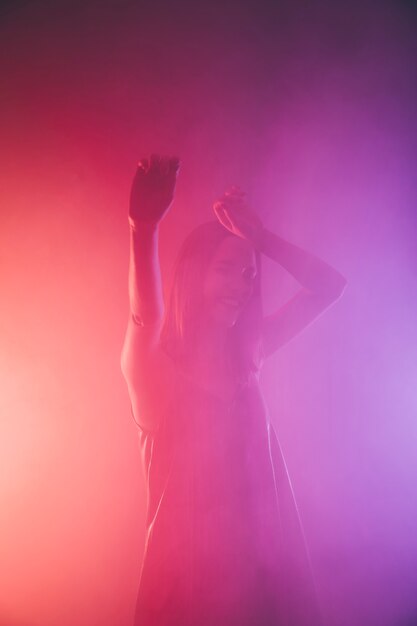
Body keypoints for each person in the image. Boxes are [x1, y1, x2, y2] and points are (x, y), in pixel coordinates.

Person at [121, 154, 347, 626]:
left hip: (263, 589)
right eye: (226, 269)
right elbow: (146, 318)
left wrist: (260, 240)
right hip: (185, 595)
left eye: (249, 274)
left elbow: (329, 286)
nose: (243, 285)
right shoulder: (156, 374)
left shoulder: (251, 356)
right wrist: (143, 230)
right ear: (193, 272)